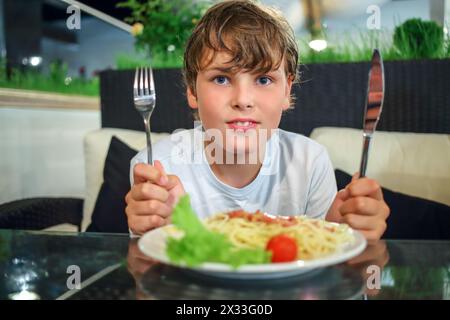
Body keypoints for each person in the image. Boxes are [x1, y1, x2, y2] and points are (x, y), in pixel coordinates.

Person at [125, 0, 390, 240]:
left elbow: (321, 275)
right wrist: (165, 233)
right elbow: (149, 285)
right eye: (221, 78)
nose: (243, 99)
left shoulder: (310, 163)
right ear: (193, 91)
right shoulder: (155, 169)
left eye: (263, 79)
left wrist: (339, 235)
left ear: (286, 90)